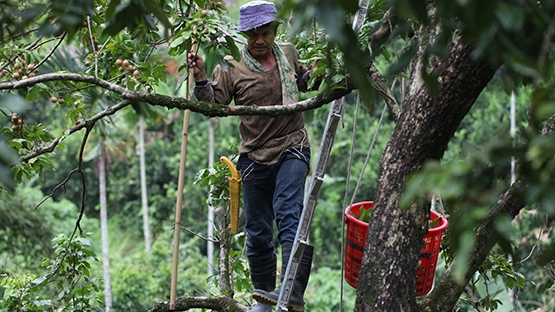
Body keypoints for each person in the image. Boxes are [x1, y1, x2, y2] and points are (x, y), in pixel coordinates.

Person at [187, 1, 317, 311]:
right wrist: (201, 77)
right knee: (258, 231)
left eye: (265, 33)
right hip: (255, 155)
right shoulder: (231, 66)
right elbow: (213, 104)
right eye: (252, 35)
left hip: (292, 145)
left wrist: (321, 66)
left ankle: (291, 292)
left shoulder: (288, 53)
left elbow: (306, 82)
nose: (259, 40)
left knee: (289, 213)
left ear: (275, 31)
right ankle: (263, 298)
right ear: (244, 35)